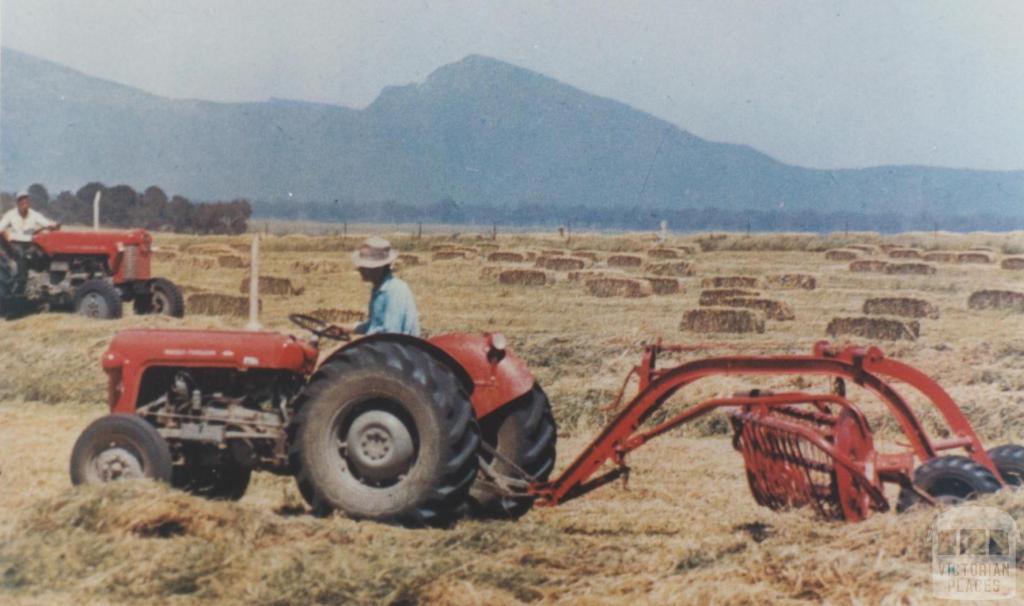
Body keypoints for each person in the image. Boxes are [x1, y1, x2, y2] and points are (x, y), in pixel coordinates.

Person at [350, 236, 420, 337]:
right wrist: (344, 328)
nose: (359, 269)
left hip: (398, 349)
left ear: (378, 268)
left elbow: (391, 334)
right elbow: (373, 326)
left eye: (364, 266)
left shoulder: (395, 290)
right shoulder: (378, 289)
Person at [0, 191, 60, 293]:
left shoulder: (34, 214)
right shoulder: (10, 215)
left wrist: (53, 225)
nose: (24, 204)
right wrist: (5, 233)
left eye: (26, 201)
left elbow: (46, 223)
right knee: (21, 256)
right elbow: (0, 228)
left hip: (29, 244)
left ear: (28, 203)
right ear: (18, 203)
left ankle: (46, 281)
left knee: (45, 254)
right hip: (13, 244)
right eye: (21, 201)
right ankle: (20, 285)